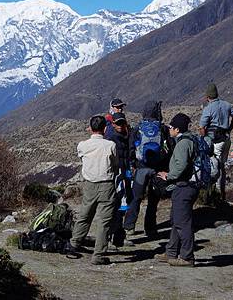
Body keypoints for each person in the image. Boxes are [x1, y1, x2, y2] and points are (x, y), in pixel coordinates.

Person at [70, 115, 118, 265]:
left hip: (90, 184)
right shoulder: (111, 145)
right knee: (104, 221)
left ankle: (73, 245)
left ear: (90, 128)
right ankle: (98, 254)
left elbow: (81, 158)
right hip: (107, 185)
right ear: (105, 128)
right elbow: (115, 163)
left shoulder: (82, 145)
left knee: (85, 215)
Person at [123, 100, 172, 238]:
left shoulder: (138, 128)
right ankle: (150, 228)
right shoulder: (162, 128)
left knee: (136, 198)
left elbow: (131, 148)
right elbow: (169, 148)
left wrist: (133, 164)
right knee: (153, 200)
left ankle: (129, 227)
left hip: (141, 168)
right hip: (157, 169)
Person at [156, 113, 198, 267]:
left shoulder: (182, 144)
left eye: (171, 127)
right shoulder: (190, 140)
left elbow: (180, 165)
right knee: (176, 220)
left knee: (183, 223)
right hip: (188, 186)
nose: (170, 130)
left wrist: (169, 176)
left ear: (177, 129)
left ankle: (187, 257)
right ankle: (171, 252)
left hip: (184, 186)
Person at [199, 83, 233, 201]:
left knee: (214, 166)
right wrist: (230, 128)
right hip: (226, 139)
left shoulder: (208, 109)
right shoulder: (226, 105)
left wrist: (203, 137)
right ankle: (221, 193)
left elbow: (202, 127)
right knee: (222, 166)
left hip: (215, 141)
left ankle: (214, 195)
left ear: (207, 97)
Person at [104, 112, 132, 248]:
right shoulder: (111, 138)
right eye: (118, 123)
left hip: (125, 174)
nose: (121, 126)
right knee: (114, 206)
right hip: (116, 175)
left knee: (122, 206)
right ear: (113, 124)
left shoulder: (126, 136)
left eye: (122, 123)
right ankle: (109, 237)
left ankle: (118, 236)